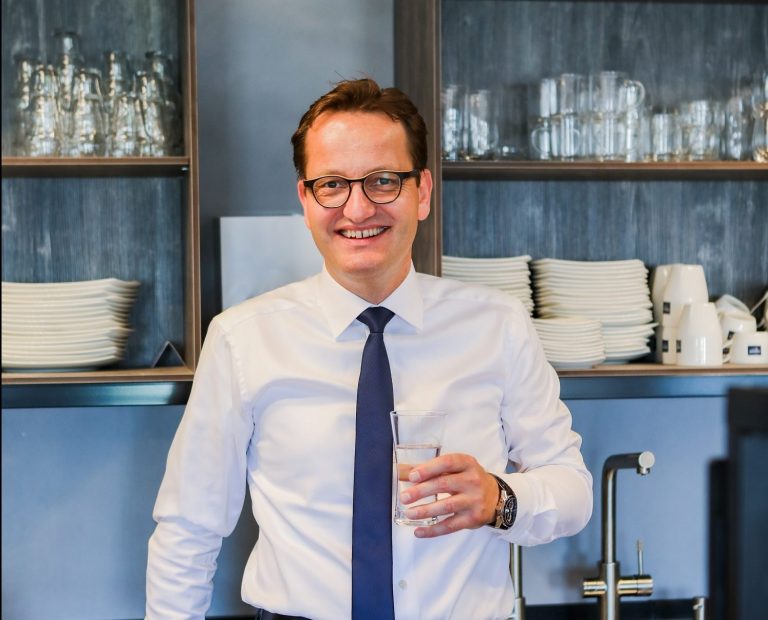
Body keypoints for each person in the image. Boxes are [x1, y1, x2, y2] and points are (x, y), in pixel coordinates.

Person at [146, 78, 592, 620]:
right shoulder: (242, 339)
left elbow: (572, 489)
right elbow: (188, 528)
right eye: (332, 184)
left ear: (422, 192)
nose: (357, 210)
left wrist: (499, 499)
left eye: (383, 181)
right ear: (306, 199)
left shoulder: (498, 326)